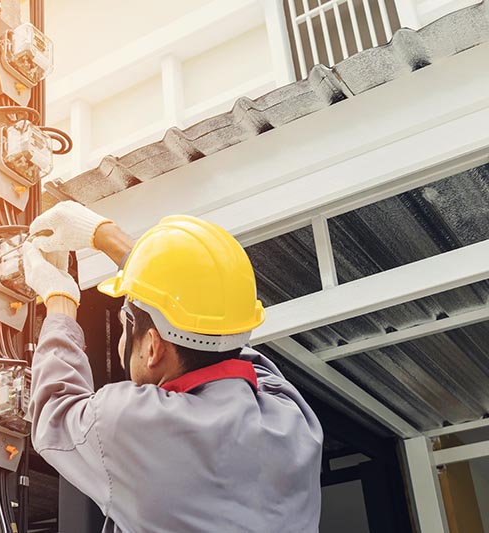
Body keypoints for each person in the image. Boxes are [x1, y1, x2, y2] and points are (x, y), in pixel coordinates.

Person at [21, 201, 323, 533]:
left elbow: (55, 412)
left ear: (153, 347)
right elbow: (218, 329)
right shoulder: (292, 419)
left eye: (124, 325)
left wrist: (59, 299)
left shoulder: (134, 424)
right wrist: (104, 235)